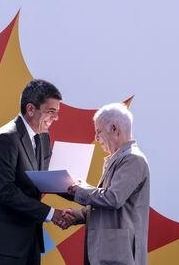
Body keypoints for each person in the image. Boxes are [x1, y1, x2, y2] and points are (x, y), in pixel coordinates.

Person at [0, 79, 74, 265]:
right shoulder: (6, 138)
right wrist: (52, 214)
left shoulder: (43, 136)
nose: (56, 118)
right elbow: (7, 192)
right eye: (51, 112)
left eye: (57, 113)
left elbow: (47, 179)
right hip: (3, 242)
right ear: (30, 109)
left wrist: (82, 193)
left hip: (29, 239)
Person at [64, 103, 150, 265]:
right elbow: (105, 206)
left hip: (119, 255)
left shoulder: (133, 159)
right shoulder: (119, 158)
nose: (97, 139)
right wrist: (76, 216)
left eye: (98, 132)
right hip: (107, 252)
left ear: (114, 128)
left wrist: (80, 189)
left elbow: (112, 198)